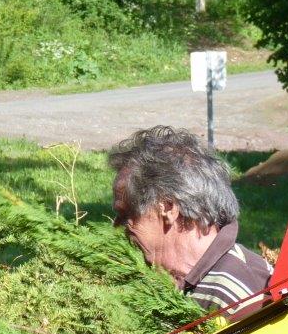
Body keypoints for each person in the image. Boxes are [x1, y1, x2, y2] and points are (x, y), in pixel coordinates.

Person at [108, 126, 270, 320]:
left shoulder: (234, 300)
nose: (116, 226)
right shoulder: (184, 280)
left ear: (168, 208)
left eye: (126, 215)